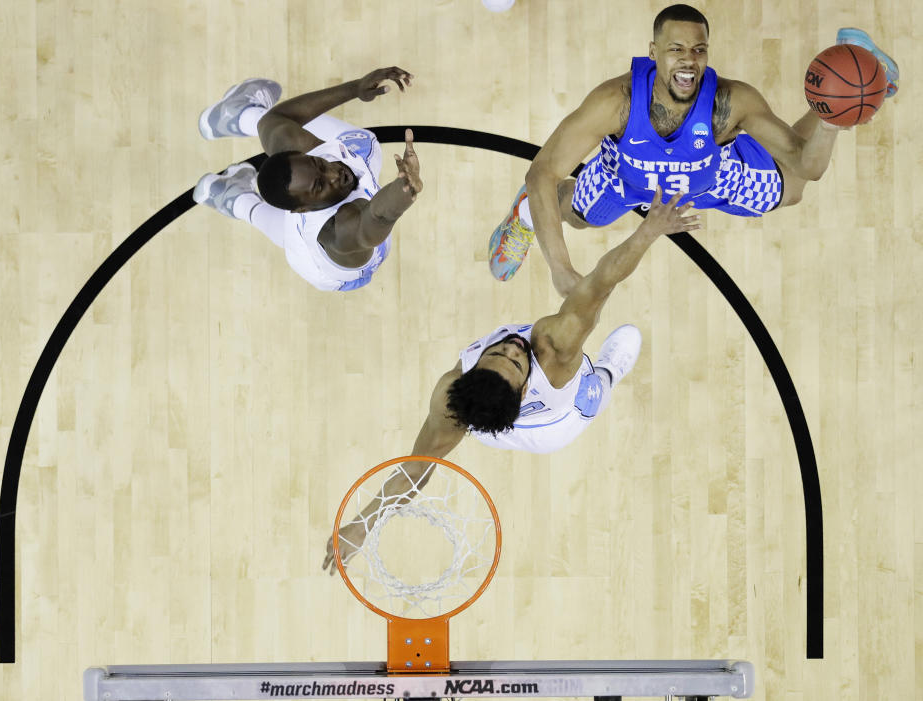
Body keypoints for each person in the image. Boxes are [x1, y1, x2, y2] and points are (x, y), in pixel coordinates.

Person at [323, 188, 700, 573]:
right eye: (514, 360)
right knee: (593, 393)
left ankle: (529, 220)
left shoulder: (469, 384)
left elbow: (601, 281)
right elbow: (419, 470)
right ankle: (608, 371)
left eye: (499, 353)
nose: (513, 347)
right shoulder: (551, 351)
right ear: (523, 388)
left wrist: (357, 524)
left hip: (494, 418)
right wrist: (363, 525)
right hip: (555, 423)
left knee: (580, 293)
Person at [488, 4, 900, 297]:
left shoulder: (731, 102)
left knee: (793, 189)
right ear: (654, 54)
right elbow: (542, 172)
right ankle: (525, 216)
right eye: (676, 50)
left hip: (708, 175)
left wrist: (836, 118)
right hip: (625, 177)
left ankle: (856, 78)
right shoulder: (616, 102)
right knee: (575, 217)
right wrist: (561, 272)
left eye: (699, 50)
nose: (689, 61)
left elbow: (808, 165)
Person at [192, 67, 422, 292]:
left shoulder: (304, 155)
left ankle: (235, 115)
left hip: (326, 221)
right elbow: (378, 216)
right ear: (304, 209)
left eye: (320, 164)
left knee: (361, 141)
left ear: (304, 154)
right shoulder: (336, 231)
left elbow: (275, 118)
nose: (335, 174)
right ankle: (236, 199)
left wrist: (355, 88)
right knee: (292, 237)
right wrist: (405, 189)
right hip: (333, 272)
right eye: (320, 185)